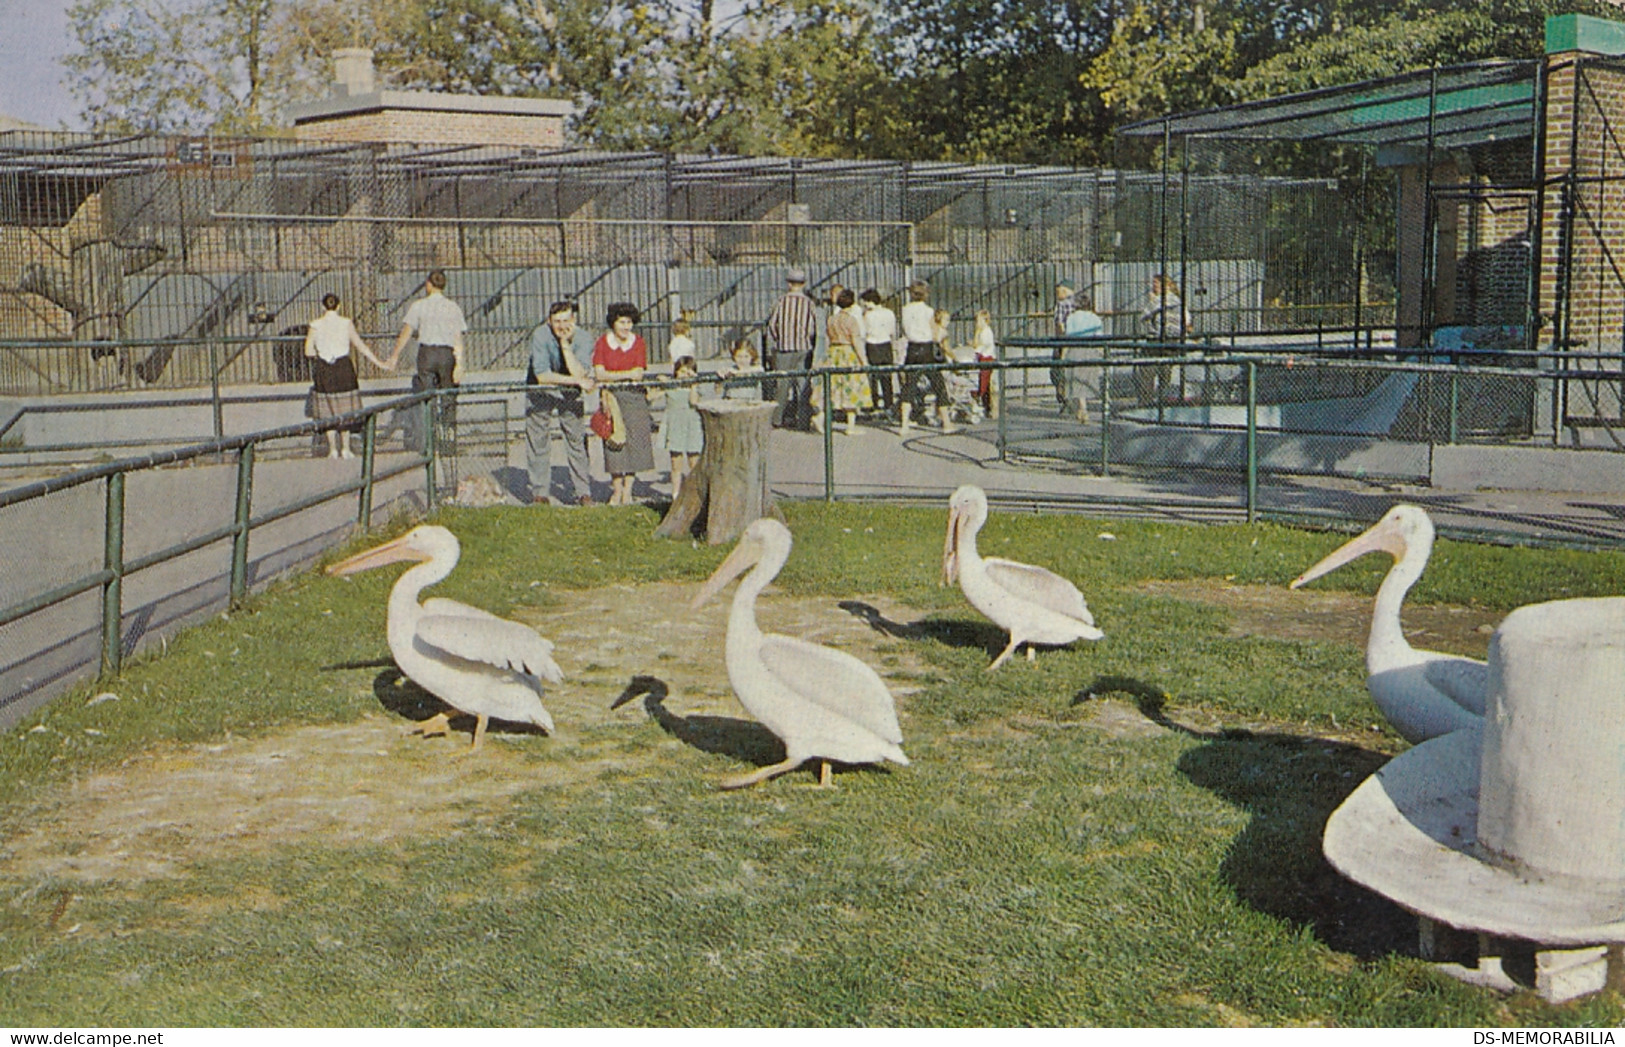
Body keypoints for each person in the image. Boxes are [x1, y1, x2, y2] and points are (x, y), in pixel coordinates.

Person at [524, 300, 597, 506]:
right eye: (557, 321)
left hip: (568, 390)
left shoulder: (583, 338)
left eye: (566, 320)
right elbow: (542, 375)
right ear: (549, 321)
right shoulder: (540, 335)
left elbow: (579, 371)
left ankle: (583, 492)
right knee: (538, 439)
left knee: (576, 439)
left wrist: (565, 344)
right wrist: (577, 381)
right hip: (541, 390)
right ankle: (540, 493)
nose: (562, 326)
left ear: (573, 320)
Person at [304, 293, 393, 459]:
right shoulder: (346, 323)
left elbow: (308, 351)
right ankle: (345, 448)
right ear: (339, 306)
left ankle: (332, 450)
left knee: (328, 410)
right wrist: (380, 363)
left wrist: (320, 354)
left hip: (324, 368)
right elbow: (361, 347)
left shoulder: (315, 325)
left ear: (323, 307)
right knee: (345, 408)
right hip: (344, 367)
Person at [391, 269, 466, 453]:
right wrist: (460, 363)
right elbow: (458, 338)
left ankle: (429, 441)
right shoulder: (453, 307)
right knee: (448, 397)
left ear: (428, 284)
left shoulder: (419, 305)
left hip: (427, 353)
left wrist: (395, 355)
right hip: (446, 353)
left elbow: (407, 332)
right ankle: (449, 440)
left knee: (427, 397)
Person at [593, 302, 655, 506]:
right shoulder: (603, 343)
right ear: (613, 323)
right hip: (611, 396)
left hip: (635, 398)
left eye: (629, 322)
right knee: (614, 443)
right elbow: (599, 373)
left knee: (635, 443)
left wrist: (613, 376)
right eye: (622, 322)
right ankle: (616, 491)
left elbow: (638, 373)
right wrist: (622, 377)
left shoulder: (638, 342)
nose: (626, 327)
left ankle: (628, 490)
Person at [811, 287, 872, 435]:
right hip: (847, 353)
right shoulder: (851, 320)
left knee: (831, 388)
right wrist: (864, 361)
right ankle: (850, 426)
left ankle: (821, 416)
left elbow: (827, 339)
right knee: (851, 388)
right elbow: (856, 341)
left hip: (833, 352)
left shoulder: (832, 319)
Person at [765, 267, 818, 429]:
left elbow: (772, 326)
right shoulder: (809, 303)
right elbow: (812, 329)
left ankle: (777, 419)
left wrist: (779, 339)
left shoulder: (780, 301)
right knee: (802, 385)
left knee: (782, 385)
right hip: (803, 348)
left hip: (784, 348)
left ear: (788, 283)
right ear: (804, 284)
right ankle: (803, 420)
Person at [899, 280, 951, 433]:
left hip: (912, 347)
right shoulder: (928, 311)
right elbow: (934, 333)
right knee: (938, 384)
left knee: (909, 385)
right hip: (926, 347)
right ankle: (946, 423)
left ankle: (904, 424)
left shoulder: (905, 309)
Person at [657, 351, 704, 499]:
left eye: (688, 372)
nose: (684, 375)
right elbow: (653, 393)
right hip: (675, 425)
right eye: (682, 371)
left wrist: (693, 385)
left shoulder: (695, 387)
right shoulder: (671, 386)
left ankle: (695, 491)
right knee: (676, 462)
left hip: (692, 424)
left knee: (694, 461)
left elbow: (694, 402)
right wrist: (660, 380)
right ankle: (676, 492)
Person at [1138, 274, 1191, 405]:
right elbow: (1187, 319)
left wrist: (1152, 300)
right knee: (1165, 371)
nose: (1153, 287)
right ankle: (1163, 401)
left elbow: (1143, 316)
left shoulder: (1159, 300)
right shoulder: (1179, 301)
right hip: (1174, 341)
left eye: (1156, 284)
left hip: (1158, 339)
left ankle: (1146, 402)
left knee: (1146, 370)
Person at [1062, 292, 1105, 423]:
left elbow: (1068, 337)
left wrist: (1063, 354)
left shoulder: (1071, 318)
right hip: (1090, 350)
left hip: (1075, 349)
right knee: (1086, 379)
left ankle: (1082, 408)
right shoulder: (1095, 318)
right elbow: (1099, 337)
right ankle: (1082, 408)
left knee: (1076, 380)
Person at [860, 288, 896, 418]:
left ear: (870, 301)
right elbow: (892, 331)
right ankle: (888, 404)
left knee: (873, 377)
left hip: (872, 344)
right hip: (886, 344)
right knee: (887, 377)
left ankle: (873, 403)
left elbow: (864, 332)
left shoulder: (868, 315)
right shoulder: (889, 313)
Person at [1050, 280, 1079, 408]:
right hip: (1077, 341)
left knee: (1057, 370)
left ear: (1065, 290)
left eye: (1059, 291)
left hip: (1063, 341)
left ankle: (1064, 397)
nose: (1057, 294)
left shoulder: (1061, 304)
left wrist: (1060, 339)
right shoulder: (1078, 303)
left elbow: (1060, 323)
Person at [972, 309, 998, 419]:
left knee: (984, 380)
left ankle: (981, 398)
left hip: (987, 358)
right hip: (982, 357)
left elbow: (981, 345)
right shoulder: (981, 332)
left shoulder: (986, 332)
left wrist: (976, 346)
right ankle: (986, 404)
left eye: (979, 321)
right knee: (984, 381)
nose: (977, 324)